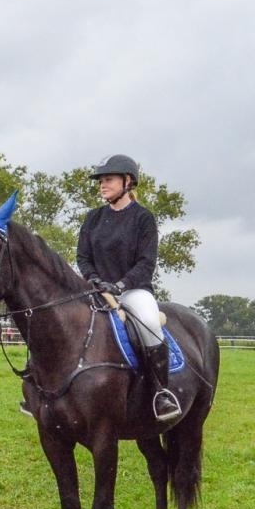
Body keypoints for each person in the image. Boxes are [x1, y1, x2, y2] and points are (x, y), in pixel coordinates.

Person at [76, 154, 182, 427]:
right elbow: (83, 257)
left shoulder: (143, 219)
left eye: (108, 179)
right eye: (101, 180)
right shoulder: (93, 218)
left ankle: (161, 392)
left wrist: (121, 285)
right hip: (96, 290)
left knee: (149, 322)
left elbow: (146, 262)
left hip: (133, 291)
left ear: (128, 181)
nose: (102, 185)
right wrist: (94, 279)